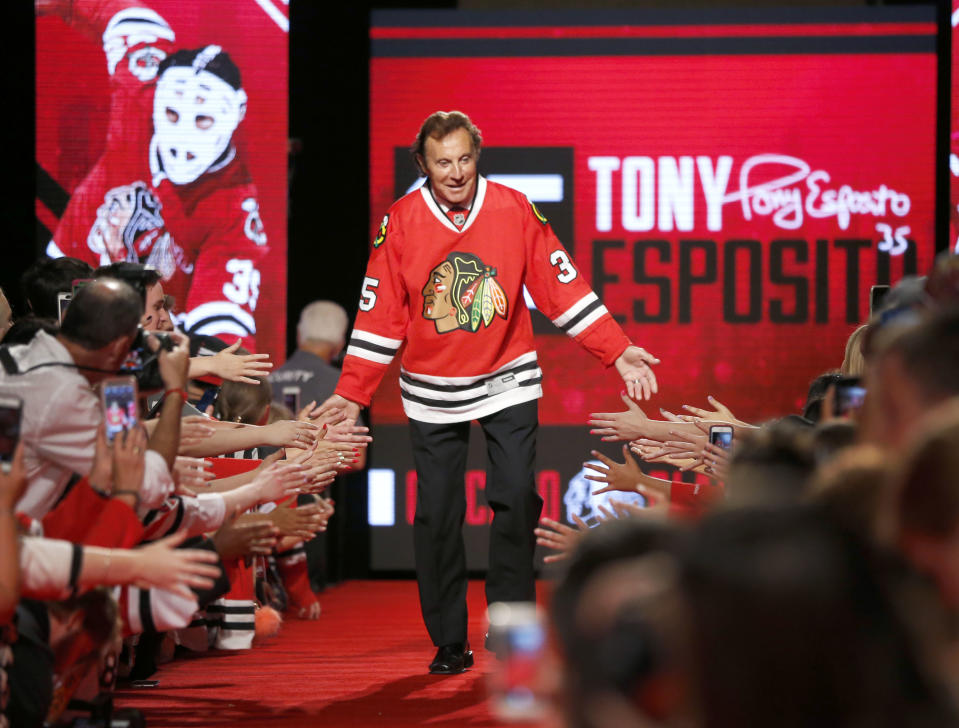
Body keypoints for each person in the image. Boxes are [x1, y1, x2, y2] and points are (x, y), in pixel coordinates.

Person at [320, 111, 660, 674]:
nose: (455, 172)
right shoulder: (401, 222)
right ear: (423, 166)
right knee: (437, 515)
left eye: (464, 158)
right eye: (442, 162)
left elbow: (560, 284)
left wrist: (617, 349)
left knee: (516, 496)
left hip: (508, 378)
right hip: (430, 389)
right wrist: (353, 391)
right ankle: (449, 639)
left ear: (478, 154)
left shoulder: (513, 209)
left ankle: (510, 621)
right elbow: (382, 314)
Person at [39, 0, 270, 350]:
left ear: (236, 113)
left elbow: (223, 335)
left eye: (203, 119)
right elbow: (121, 15)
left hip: (139, 340)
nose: (183, 137)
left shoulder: (235, 212)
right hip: (63, 273)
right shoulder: (139, 93)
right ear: (157, 97)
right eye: (173, 114)